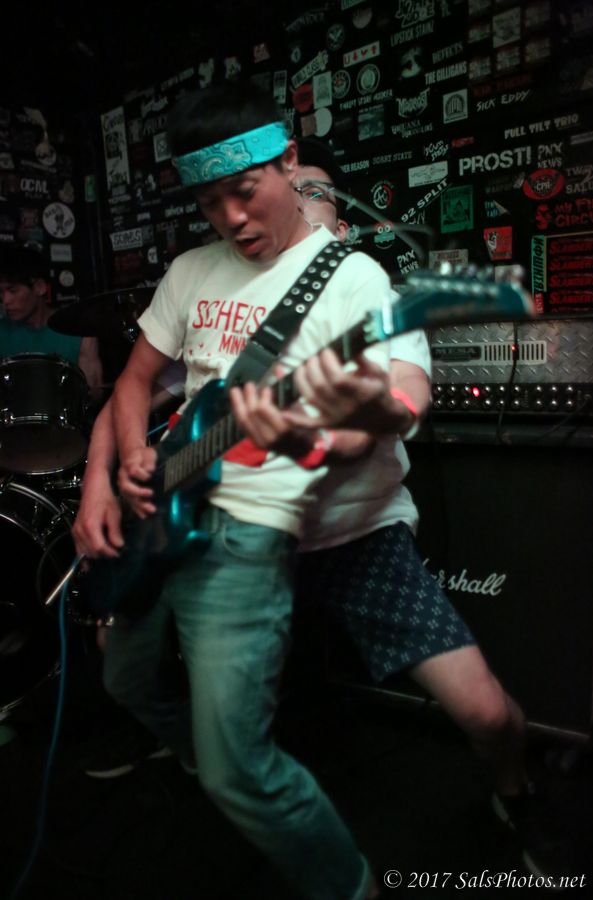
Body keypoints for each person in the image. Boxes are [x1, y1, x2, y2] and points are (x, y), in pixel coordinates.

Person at [74, 82, 414, 900]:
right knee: (123, 681)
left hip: (247, 532)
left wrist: (319, 432)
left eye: (244, 190)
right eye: (208, 201)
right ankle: (196, 760)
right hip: (167, 505)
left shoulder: (351, 280)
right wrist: (116, 470)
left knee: (241, 771)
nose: (230, 218)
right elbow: (134, 381)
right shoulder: (191, 271)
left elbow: (392, 406)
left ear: (287, 160)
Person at [290, 138, 563, 883]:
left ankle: (515, 790)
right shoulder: (229, 295)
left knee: (486, 714)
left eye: (313, 189)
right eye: (286, 185)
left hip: (360, 533)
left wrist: (361, 422)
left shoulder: (366, 287)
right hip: (260, 539)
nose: (295, 198)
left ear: (343, 223)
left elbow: (409, 390)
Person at [0, 244, 102, 393]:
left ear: (40, 287)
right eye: (1, 293)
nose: (5, 300)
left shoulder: (80, 333)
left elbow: (94, 394)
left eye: (13, 291)